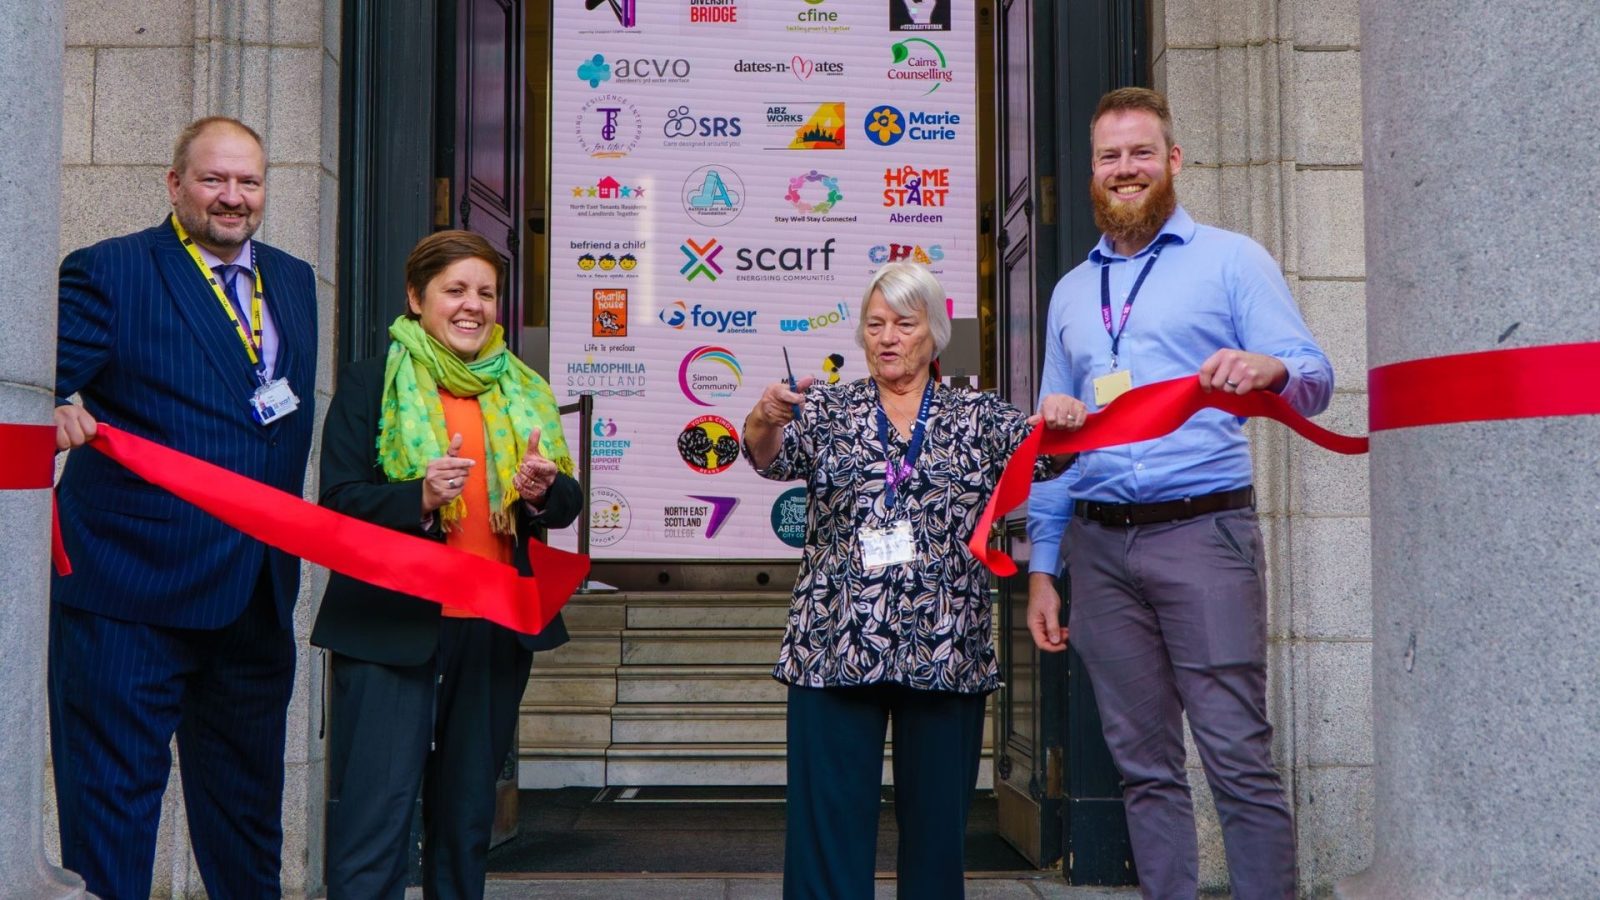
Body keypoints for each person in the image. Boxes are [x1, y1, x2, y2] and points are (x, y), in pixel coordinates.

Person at [1025, 87, 1334, 899]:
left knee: (1236, 756)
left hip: (1203, 536)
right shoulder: (1070, 292)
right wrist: (1044, 569)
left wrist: (1270, 369)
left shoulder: (1233, 259)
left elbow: (1315, 377)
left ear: (1173, 160)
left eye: (1140, 152)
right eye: (1109, 155)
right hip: (1098, 548)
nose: (1124, 169)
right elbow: (1056, 443)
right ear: (1093, 169)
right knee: (1143, 767)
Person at [744, 261, 1075, 900]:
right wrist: (764, 416)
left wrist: (1061, 420)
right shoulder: (829, 409)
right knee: (827, 832)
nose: (887, 338)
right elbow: (766, 456)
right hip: (835, 641)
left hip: (945, 644)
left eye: (903, 323)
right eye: (875, 325)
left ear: (934, 333)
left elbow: (1051, 456)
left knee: (936, 835)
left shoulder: (976, 414)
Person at [49, 116, 318, 899]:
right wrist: (50, 409)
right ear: (175, 185)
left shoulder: (293, 278)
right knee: (113, 821)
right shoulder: (110, 270)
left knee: (249, 828)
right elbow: (31, 381)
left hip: (255, 598)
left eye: (248, 181)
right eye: (213, 179)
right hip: (129, 597)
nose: (232, 197)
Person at [312, 229, 580, 900]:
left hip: (491, 630)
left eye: (485, 293)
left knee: (465, 823)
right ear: (416, 296)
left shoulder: (523, 389)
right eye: (455, 290)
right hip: (389, 628)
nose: (473, 306)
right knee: (375, 819)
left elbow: (566, 504)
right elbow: (338, 503)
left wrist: (542, 492)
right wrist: (420, 498)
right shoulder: (370, 382)